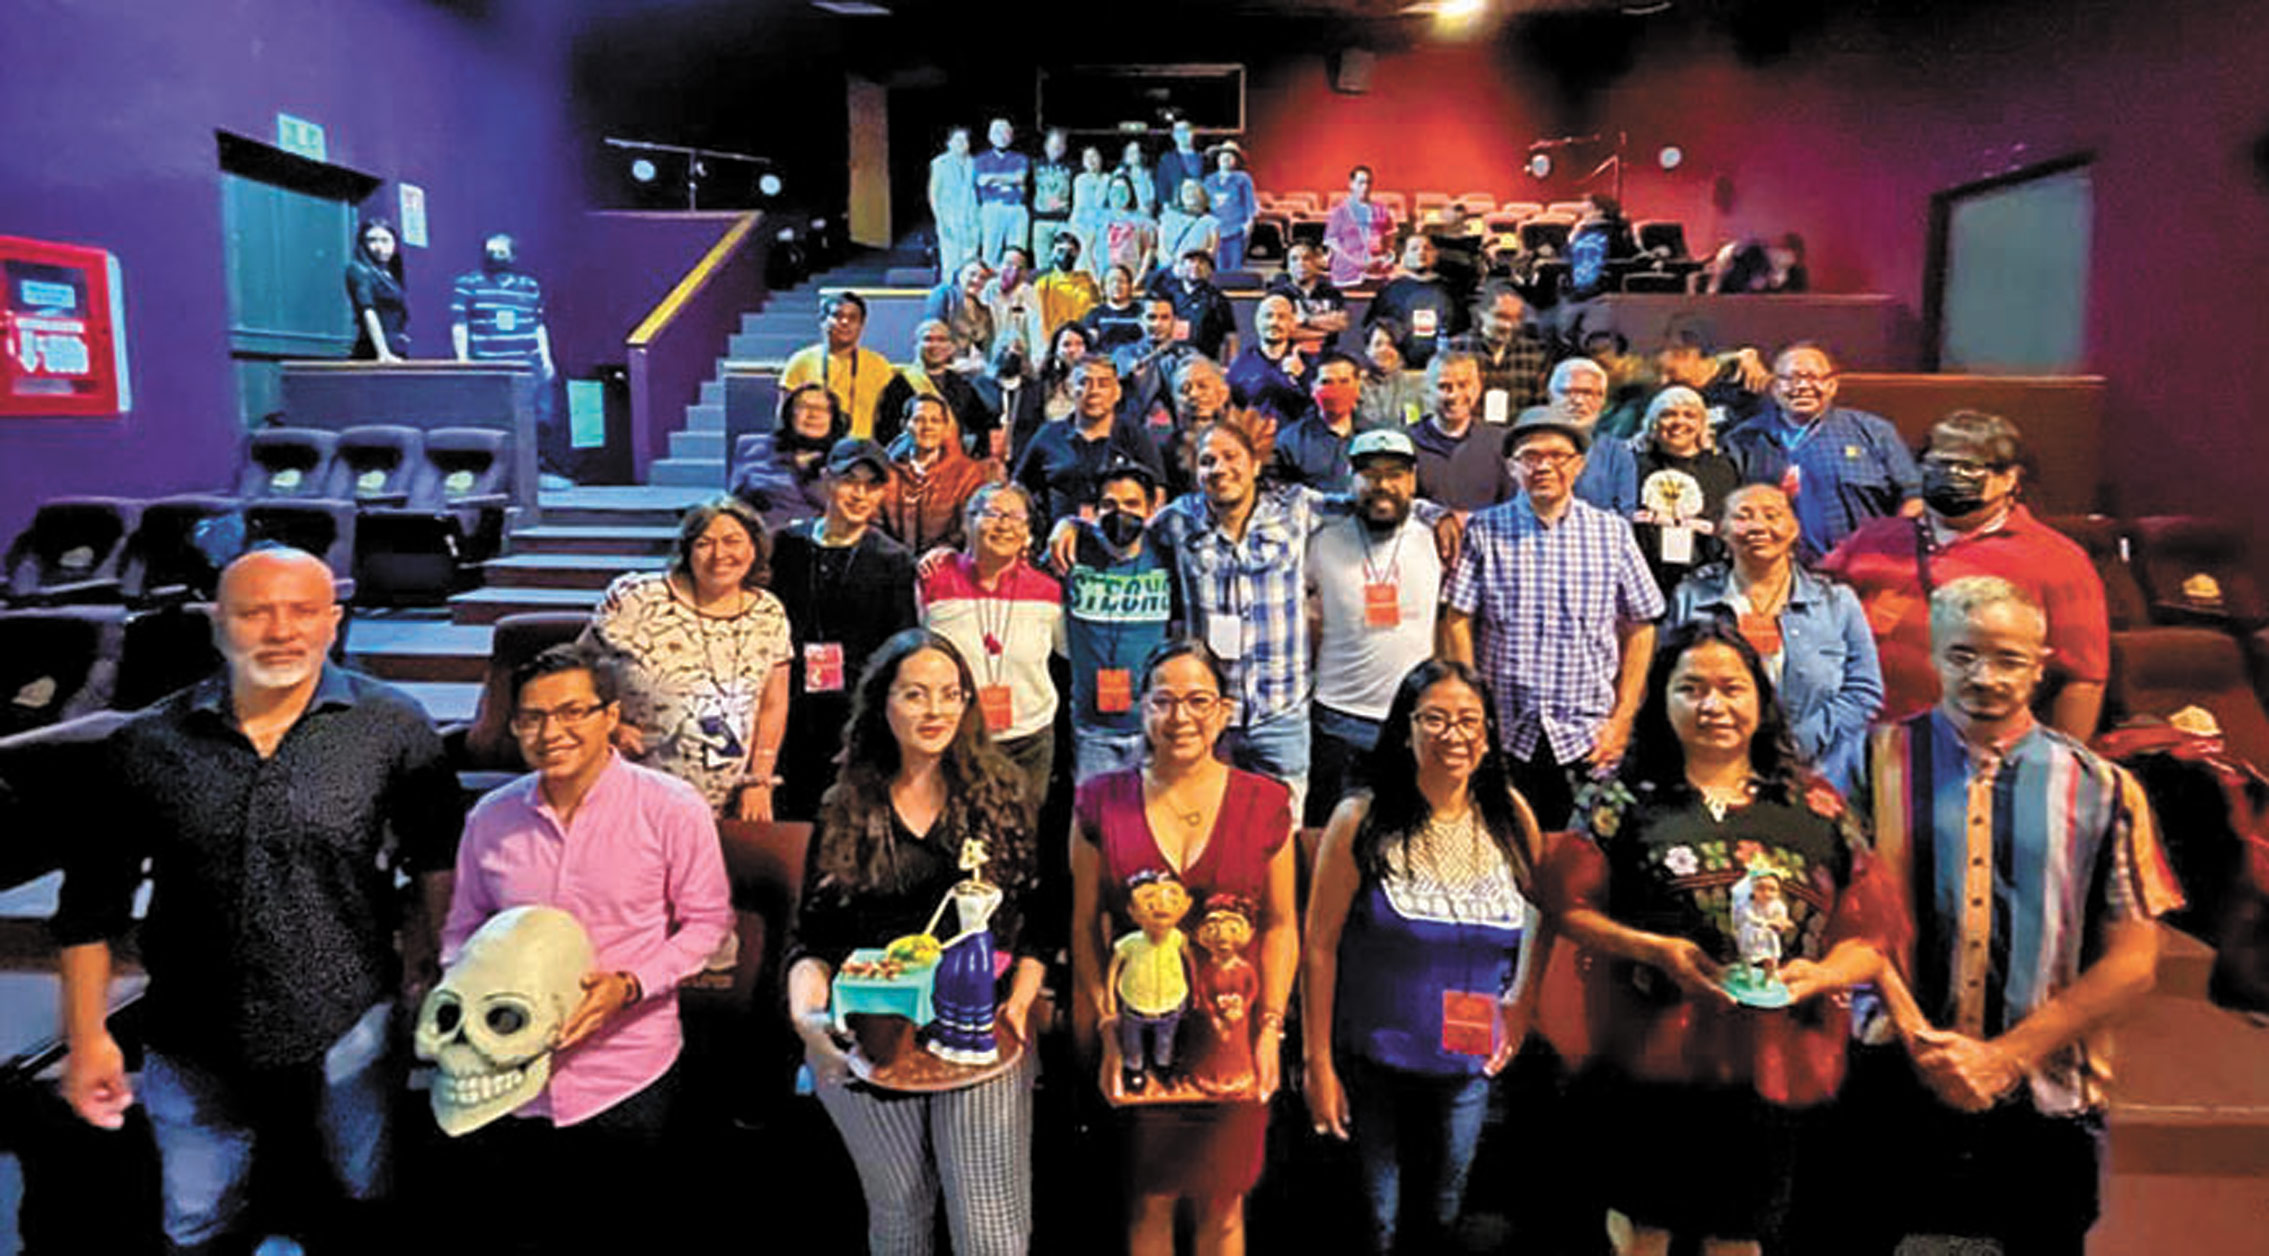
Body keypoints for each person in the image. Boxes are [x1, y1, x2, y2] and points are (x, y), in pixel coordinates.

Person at [55, 546, 463, 1255]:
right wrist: (87, 1036)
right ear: (218, 623)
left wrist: (434, 961)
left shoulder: (393, 726)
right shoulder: (146, 745)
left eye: (302, 611)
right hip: (192, 1025)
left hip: (349, 1017)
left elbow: (436, 859)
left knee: (360, 1200)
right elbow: (90, 907)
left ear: (334, 621)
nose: (281, 631)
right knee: (197, 1221)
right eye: (255, 612)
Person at [1830, 576, 2181, 1256]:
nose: (1984, 676)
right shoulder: (1868, 764)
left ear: (2040, 665)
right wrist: (1922, 1041)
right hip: (1885, 1073)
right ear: (1934, 655)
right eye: (1962, 655)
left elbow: (2135, 961)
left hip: (2044, 1085)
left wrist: (2004, 1057)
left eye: (2007, 658)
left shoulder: (2104, 788)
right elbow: (1838, 919)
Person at [1541, 619, 1903, 1256]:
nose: (1713, 705)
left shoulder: (1814, 805)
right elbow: (1566, 906)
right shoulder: (1618, 800)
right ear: (1662, 698)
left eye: (1731, 688)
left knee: (1738, 1237)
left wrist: (1819, 976)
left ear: (1761, 699)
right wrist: (1655, 951)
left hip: (1769, 1062)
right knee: (1643, 1232)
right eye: (1691, 689)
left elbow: (1870, 933)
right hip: (1646, 1057)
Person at [439, 643, 733, 1255]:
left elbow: (707, 925)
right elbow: (463, 929)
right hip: (508, 1077)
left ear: (610, 716)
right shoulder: (490, 819)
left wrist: (629, 985)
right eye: (532, 717)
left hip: (627, 1071)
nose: (552, 733)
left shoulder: (671, 808)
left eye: (573, 712)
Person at [787, 629, 1046, 1256]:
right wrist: (807, 1023)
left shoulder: (1004, 795)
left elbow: (1038, 922)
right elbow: (811, 942)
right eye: (915, 694)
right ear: (883, 703)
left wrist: (1018, 1007)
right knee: (899, 1217)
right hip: (869, 1031)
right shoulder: (844, 803)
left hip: (978, 1034)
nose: (936, 711)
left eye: (951, 694)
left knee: (989, 1228)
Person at [1303, 660, 1543, 1256]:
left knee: (1445, 1220)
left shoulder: (1510, 816)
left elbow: (1544, 914)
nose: (1453, 735)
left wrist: (1522, 1000)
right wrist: (1317, 1064)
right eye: (1434, 719)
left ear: (1488, 734)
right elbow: (1318, 947)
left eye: (1469, 720)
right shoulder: (1360, 819)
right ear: (1405, 730)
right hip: (1371, 1063)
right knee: (1377, 1226)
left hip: (1469, 1066)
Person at [1070, 638, 1299, 1256]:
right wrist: (1108, 1031)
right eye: (1164, 701)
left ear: (1224, 711)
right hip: (1141, 1036)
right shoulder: (1100, 799)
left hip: (1232, 1034)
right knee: (1149, 1200)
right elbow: (1085, 927)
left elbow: (1282, 925)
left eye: (1199, 701)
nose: (1181, 717)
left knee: (1224, 1204)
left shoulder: (1265, 801)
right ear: (1142, 708)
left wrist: (1271, 1029)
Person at [1818, 409, 2110, 738]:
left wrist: (2057, 760)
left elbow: (2083, 678)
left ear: (2009, 478)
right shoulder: (1874, 538)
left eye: (1969, 467)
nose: (1951, 476)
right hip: (1862, 740)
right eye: (1938, 464)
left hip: (1981, 747)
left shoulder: (2057, 559)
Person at [1443, 408, 1665, 828]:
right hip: (1505, 730)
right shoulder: (1485, 530)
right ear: (1512, 467)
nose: (1543, 466)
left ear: (1578, 466)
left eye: (1557, 456)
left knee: (1582, 854)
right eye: (1530, 456)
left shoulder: (1612, 532)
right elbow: (1457, 619)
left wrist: (1621, 720)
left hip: (1588, 734)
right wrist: (1470, 710)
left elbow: (1641, 625)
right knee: (1504, 844)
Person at [586, 496, 794, 825]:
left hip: (724, 803)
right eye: (704, 543)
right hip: (637, 791)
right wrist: (606, 726)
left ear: (755, 547)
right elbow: (573, 670)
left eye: (732, 541)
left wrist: (759, 780)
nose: (719, 554)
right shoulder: (638, 598)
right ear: (687, 551)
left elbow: (773, 703)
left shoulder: (769, 612)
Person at [1667, 483, 1882, 793]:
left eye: (1772, 515)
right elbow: (1670, 683)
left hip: (1820, 777)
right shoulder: (1691, 598)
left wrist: (1792, 743)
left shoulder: (1838, 603)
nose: (1758, 526)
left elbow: (1864, 691)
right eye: (1743, 516)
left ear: (1794, 529)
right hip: (1715, 774)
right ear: (1722, 530)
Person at [769, 439, 920, 821]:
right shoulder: (787, 546)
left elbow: (899, 650)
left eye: (872, 486)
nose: (860, 495)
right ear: (826, 480)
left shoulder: (894, 560)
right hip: (789, 712)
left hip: (856, 716)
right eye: (849, 481)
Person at [1304, 430, 1444, 823]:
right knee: (1331, 833)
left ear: (1412, 481)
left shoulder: (1436, 540)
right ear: (1351, 480)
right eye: (1370, 474)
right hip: (1336, 720)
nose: (1382, 485)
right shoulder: (1321, 541)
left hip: (1412, 721)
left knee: (1405, 833)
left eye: (1395, 474)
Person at [918, 483, 1064, 812]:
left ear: (1028, 533)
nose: (1003, 525)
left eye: (1015, 517)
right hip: (954, 736)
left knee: (1021, 833)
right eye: (992, 514)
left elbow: (1067, 651)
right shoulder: (932, 580)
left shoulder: (1049, 592)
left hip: (1029, 739)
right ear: (966, 522)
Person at [1721, 342, 1921, 563]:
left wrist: (1886, 547)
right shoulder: (1743, 439)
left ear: (1832, 385)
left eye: (1813, 377)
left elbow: (1914, 498)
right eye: (1790, 378)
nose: (1802, 386)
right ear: (1775, 387)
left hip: (1860, 566)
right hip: (1774, 570)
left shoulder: (1874, 432)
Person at [1063, 460, 1180, 783]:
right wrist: (1068, 524)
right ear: (1096, 510)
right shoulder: (1072, 551)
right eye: (1109, 505)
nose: (1121, 514)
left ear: (1151, 509)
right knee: (1095, 813)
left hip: (1153, 726)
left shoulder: (1168, 554)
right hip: (1092, 730)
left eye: (1132, 504)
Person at [450, 232, 565, 483]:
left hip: (528, 365)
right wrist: (462, 360)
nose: (495, 257)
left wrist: (546, 358)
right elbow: (460, 324)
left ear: (513, 256)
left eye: (501, 252)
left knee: (539, 418)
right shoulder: (468, 284)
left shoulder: (529, 286)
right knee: (493, 420)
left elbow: (538, 325)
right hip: (489, 365)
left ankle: (534, 472)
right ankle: (496, 475)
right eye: (490, 252)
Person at [1013, 355, 1167, 538]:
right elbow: (1019, 490)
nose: (1093, 391)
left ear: (1117, 392)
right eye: (1084, 382)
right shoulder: (1048, 435)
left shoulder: (1136, 437)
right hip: (1059, 541)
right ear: (1070, 389)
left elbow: (1157, 494)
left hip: (1121, 543)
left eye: (1103, 384)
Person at [1630, 385, 1742, 596]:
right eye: (1668, 415)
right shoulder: (1631, 466)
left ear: (1702, 424)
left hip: (1705, 583)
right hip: (1642, 581)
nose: (1679, 422)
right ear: (1653, 423)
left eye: (1689, 415)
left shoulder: (1723, 469)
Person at [881, 395, 994, 556]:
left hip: (946, 561)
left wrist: (936, 556)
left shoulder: (967, 473)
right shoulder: (886, 470)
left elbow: (968, 526)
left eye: (935, 421)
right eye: (919, 420)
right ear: (904, 425)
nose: (927, 427)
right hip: (889, 560)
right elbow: (874, 521)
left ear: (945, 428)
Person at [874, 317, 997, 456]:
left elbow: (983, 425)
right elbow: (886, 432)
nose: (935, 345)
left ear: (951, 347)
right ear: (916, 345)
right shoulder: (901, 384)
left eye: (941, 339)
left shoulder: (961, 385)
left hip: (953, 462)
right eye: (928, 339)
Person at [733, 382, 847, 531]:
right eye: (804, 407)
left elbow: (841, 506)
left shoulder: (845, 458)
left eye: (822, 409)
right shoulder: (754, 448)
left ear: (833, 418)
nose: (813, 415)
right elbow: (735, 500)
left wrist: (807, 469)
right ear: (790, 414)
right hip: (761, 533)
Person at [1410, 348, 1513, 512]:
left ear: (1478, 389)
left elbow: (1510, 507)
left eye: (1463, 385)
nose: (1454, 395)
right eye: (1444, 386)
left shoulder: (1500, 443)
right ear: (1426, 392)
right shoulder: (1408, 443)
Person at [782, 291, 893, 441]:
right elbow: (784, 417)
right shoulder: (801, 362)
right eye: (837, 316)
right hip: (812, 446)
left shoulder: (879, 366)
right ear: (823, 321)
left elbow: (888, 419)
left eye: (853, 318)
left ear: (861, 325)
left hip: (861, 449)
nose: (845, 322)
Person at [1363, 235, 1466, 371]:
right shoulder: (1390, 291)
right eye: (1414, 249)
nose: (1421, 253)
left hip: (1444, 369)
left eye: (1427, 248)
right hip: (1399, 370)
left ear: (1435, 254)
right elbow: (1373, 330)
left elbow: (1462, 329)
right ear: (1403, 256)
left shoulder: (1451, 291)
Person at [1269, 351, 1368, 491]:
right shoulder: (1290, 441)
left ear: (1358, 386)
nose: (1336, 390)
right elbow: (1279, 492)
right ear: (1313, 388)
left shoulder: (1375, 435)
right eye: (1326, 382)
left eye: (1344, 381)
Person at [1553, 357, 1639, 515]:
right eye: (1569, 392)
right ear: (1551, 396)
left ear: (1602, 401)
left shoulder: (1617, 453)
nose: (1578, 401)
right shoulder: (1528, 448)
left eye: (1588, 393)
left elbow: (1625, 513)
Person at [1467, 282, 1554, 418]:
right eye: (1501, 316)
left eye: (1517, 318)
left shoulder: (1536, 353)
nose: (1509, 325)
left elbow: (1540, 405)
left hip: (1519, 428)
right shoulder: (1457, 348)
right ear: (1481, 314)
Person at [1225, 294, 1313, 425]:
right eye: (1268, 316)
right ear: (1257, 322)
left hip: (1296, 435)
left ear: (1292, 323)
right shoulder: (1240, 365)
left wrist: (1302, 378)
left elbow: (1320, 410)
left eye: (1281, 317)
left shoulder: (1309, 364)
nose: (1273, 323)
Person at [1149, 249, 1238, 363]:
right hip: (1169, 360)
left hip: (1204, 363)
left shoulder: (1217, 299)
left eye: (1201, 262)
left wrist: (1231, 367)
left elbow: (1231, 337)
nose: (1195, 265)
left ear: (1209, 270)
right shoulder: (1166, 294)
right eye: (1191, 261)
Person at [1263, 241, 1351, 353]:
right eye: (1294, 259)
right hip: (1288, 353)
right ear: (1287, 266)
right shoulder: (1277, 294)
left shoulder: (1331, 292)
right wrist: (1324, 331)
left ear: (1316, 262)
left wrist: (1303, 320)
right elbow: (1285, 331)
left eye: (1306, 258)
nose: (1301, 264)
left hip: (1327, 354)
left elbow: (1341, 323)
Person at [979, 246, 1048, 384]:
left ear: (1026, 273)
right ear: (998, 266)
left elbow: (1036, 331)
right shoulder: (986, 290)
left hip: (1018, 362)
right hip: (986, 362)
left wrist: (1036, 366)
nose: (1014, 271)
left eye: (1020, 267)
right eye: (1009, 264)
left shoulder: (1029, 294)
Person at [346, 217, 409, 361]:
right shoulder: (359, 270)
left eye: (385, 240)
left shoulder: (391, 273)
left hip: (396, 348)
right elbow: (368, 311)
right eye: (372, 240)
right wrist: (383, 352)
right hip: (373, 351)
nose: (379, 246)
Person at [1323, 165, 1396, 287]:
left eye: (1368, 183)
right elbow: (1334, 245)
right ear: (1351, 184)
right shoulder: (1339, 212)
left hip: (1376, 273)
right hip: (1346, 275)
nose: (1365, 187)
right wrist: (1358, 263)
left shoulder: (1382, 210)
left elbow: (1389, 241)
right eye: (1361, 183)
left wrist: (1385, 258)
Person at [974, 117, 1031, 269]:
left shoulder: (1020, 158)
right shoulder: (981, 159)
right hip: (992, 208)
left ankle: (1016, 282)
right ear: (990, 136)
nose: (1002, 136)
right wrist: (1010, 179)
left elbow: (1019, 178)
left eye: (1006, 132)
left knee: (1018, 251)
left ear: (1011, 135)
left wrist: (993, 178)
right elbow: (981, 181)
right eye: (997, 132)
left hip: (1016, 207)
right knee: (990, 251)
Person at [925, 259, 998, 368]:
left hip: (969, 368)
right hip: (942, 366)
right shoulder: (944, 294)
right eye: (972, 274)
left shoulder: (984, 309)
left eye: (982, 278)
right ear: (960, 275)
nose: (976, 280)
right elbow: (931, 334)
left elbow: (986, 346)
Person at [1355, 320, 1426, 430]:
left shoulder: (1418, 384)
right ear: (1367, 350)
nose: (1384, 350)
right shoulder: (1357, 385)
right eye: (1378, 344)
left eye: (1391, 344)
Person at [930, 126, 980, 281]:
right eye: (958, 140)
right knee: (950, 261)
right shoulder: (940, 163)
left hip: (971, 218)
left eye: (965, 140)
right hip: (949, 218)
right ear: (949, 143)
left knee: (970, 261)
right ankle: (949, 290)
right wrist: (940, 219)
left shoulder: (974, 163)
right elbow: (934, 194)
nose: (962, 144)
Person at [1034, 229, 1101, 339]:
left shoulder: (1087, 280)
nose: (1065, 255)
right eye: (1060, 250)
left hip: (1083, 340)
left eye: (1070, 251)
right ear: (1052, 253)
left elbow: (1096, 312)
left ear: (1077, 254)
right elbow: (1038, 322)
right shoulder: (1043, 285)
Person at [1202, 142, 1257, 272]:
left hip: (1236, 229)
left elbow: (1250, 203)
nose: (1226, 159)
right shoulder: (1209, 180)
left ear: (1235, 161)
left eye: (1230, 156)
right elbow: (1204, 205)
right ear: (1218, 159)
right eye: (1223, 156)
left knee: (1234, 266)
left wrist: (1249, 222)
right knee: (1217, 266)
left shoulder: (1243, 179)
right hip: (1215, 230)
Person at [1156, 180, 1223, 286]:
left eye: (1193, 190)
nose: (1190, 194)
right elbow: (1162, 247)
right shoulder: (1167, 218)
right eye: (1186, 190)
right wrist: (1174, 265)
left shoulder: (1211, 222)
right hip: (1171, 272)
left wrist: (1194, 265)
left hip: (1197, 273)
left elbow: (1212, 251)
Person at [1030, 128, 1076, 272]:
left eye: (1060, 145)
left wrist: (1067, 206)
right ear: (1046, 146)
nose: (1057, 149)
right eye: (1053, 145)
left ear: (1065, 147)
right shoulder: (1035, 164)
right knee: (1042, 263)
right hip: (1040, 220)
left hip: (1063, 221)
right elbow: (1027, 189)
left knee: (1062, 262)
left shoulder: (1072, 166)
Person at [1100, 172, 1158, 282]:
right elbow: (1089, 250)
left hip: (1131, 277)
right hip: (1104, 278)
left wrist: (1139, 278)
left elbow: (1148, 250)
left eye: (1124, 190)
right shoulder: (1099, 220)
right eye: (1115, 190)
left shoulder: (1142, 221)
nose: (1119, 194)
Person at [1082, 262, 1147, 355]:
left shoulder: (1142, 311)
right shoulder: (1095, 314)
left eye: (1121, 281)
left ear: (1130, 286)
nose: (1116, 285)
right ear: (1104, 288)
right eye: (1111, 281)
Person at [1071, 145, 1115, 282]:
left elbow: (1105, 203)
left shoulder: (1108, 179)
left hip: (1102, 227)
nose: (1091, 160)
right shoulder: (1080, 180)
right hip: (1081, 226)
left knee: (1100, 264)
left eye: (1094, 156)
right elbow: (1081, 205)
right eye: (1087, 157)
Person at [1153, 119, 1209, 221]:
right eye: (1179, 131)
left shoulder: (1202, 159)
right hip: (1175, 211)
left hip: (1198, 212)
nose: (1183, 135)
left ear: (1193, 133)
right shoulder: (1167, 160)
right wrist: (1166, 209)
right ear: (1173, 136)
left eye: (1186, 130)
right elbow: (1161, 185)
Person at [1116, 139, 1159, 217]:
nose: (1132, 155)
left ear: (1141, 155)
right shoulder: (1120, 174)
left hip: (1145, 214)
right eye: (1129, 152)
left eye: (1135, 152)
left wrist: (1148, 208)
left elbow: (1151, 196)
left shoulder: (1147, 174)